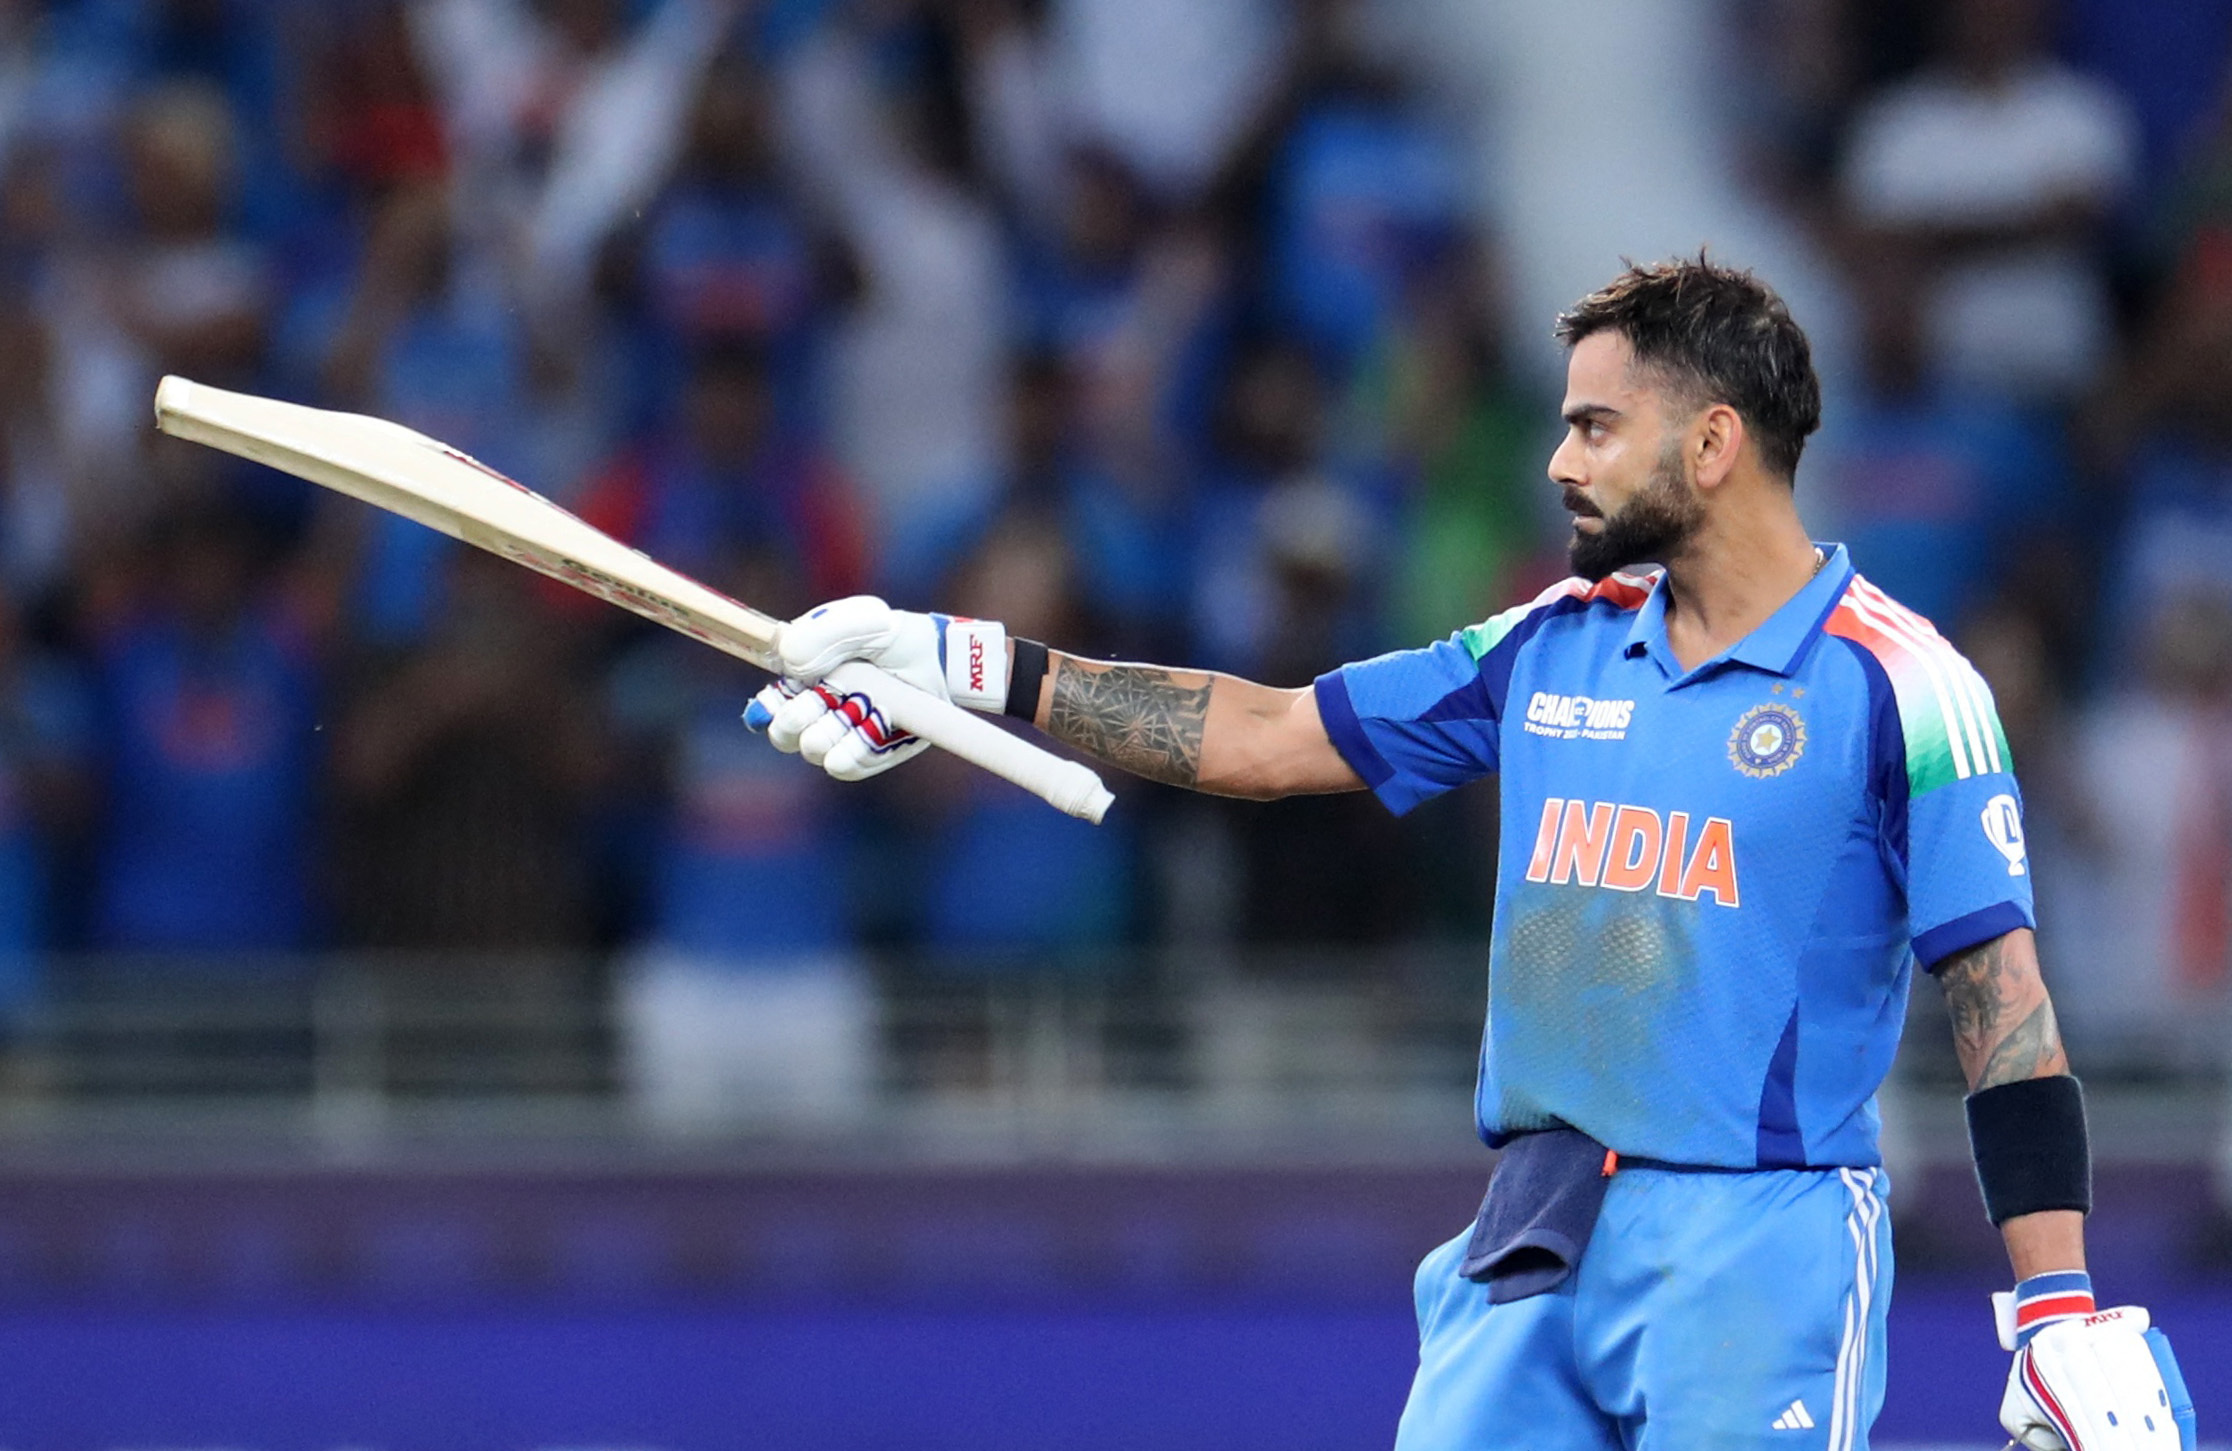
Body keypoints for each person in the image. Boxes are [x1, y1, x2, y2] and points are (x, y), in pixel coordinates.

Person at [749, 257, 2194, 1449]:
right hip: (1538, 1226)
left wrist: (2052, 1310)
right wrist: (969, 666)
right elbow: (1263, 735)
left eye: (1593, 428)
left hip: (1761, 1245)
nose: (1557, 461)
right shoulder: (1547, 641)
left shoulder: (1905, 684)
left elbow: (2003, 1008)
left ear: (1711, 445)